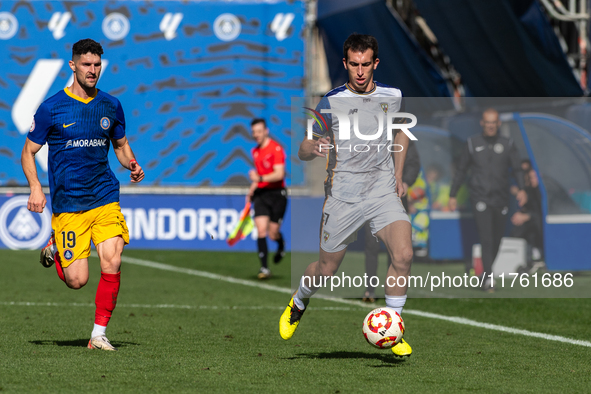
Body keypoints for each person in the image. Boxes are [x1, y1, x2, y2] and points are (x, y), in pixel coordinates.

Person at [279, 33, 414, 357]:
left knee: (404, 255)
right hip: (343, 196)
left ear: (375, 63)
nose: (360, 71)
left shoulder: (393, 96)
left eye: (366, 64)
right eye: (354, 64)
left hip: (381, 190)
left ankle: (391, 327)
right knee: (326, 270)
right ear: (345, 64)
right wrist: (311, 147)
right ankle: (298, 302)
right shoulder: (330, 102)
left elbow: (402, 132)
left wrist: (397, 175)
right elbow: (303, 148)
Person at [21, 38, 144, 351]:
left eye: (97, 65)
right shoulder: (51, 108)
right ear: (72, 65)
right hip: (69, 204)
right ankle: (56, 249)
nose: (93, 70)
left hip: (104, 196)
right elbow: (28, 151)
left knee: (112, 260)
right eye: (87, 64)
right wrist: (36, 186)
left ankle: (98, 335)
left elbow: (119, 145)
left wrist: (130, 162)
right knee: (77, 281)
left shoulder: (110, 105)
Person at [448, 108, 527, 291]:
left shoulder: (508, 144)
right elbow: (461, 171)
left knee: (498, 237)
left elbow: (517, 168)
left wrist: (522, 189)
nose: (490, 126)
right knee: (486, 238)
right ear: (482, 123)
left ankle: (486, 273)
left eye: (494, 123)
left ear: (498, 124)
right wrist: (453, 194)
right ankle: (489, 278)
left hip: (501, 198)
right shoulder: (472, 143)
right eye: (487, 122)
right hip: (480, 197)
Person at [362, 140, 420, 302]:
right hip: (372, 199)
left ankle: (394, 294)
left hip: (397, 198)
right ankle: (370, 290)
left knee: (398, 251)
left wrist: (406, 182)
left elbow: (414, 164)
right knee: (371, 245)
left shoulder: (402, 136)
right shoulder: (368, 136)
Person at [247, 118, 287, 280]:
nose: (256, 135)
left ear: (266, 131)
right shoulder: (255, 151)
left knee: (272, 233)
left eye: (259, 131)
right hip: (262, 195)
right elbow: (258, 179)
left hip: (277, 194)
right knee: (261, 229)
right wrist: (251, 191)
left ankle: (281, 244)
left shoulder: (276, 149)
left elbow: (279, 174)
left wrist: (260, 177)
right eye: (253, 132)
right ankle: (264, 267)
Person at [510, 159, 544, 266]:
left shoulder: (544, 192)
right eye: (530, 177)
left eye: (534, 177)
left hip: (543, 224)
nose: (532, 179)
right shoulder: (529, 191)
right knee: (520, 225)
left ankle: (537, 252)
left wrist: (527, 216)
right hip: (532, 223)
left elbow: (541, 213)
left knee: (533, 222)